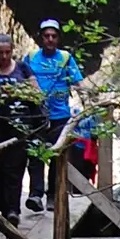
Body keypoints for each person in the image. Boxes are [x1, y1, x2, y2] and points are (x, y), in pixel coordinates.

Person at [0, 29, 42, 219]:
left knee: (16, 166)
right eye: (1, 53)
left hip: (19, 124)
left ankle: (13, 210)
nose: (4, 56)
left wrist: (18, 92)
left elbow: (37, 94)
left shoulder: (23, 68)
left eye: (7, 52)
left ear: (12, 50)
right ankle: (0, 206)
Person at [22, 19, 86, 205]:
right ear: (41, 38)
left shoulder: (65, 58)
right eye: (46, 36)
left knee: (57, 156)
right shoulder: (31, 57)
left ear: (58, 38)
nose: (50, 39)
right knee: (35, 154)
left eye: (54, 36)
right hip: (36, 114)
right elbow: (22, 81)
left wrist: (89, 100)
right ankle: (35, 194)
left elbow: (78, 82)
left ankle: (52, 196)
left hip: (60, 116)